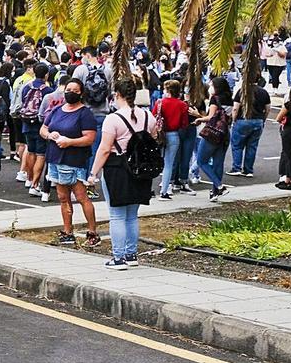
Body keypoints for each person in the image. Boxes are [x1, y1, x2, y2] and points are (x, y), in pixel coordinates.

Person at [89, 78, 153, 270]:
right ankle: (131, 254)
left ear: (117, 95)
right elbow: (154, 137)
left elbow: (104, 149)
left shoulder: (113, 119)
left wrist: (93, 173)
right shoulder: (148, 115)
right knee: (132, 214)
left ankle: (118, 257)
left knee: (116, 214)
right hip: (141, 167)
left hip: (118, 166)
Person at [41, 78, 99, 247]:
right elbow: (44, 128)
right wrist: (49, 135)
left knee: (81, 196)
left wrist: (70, 142)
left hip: (74, 160)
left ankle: (92, 232)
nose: (70, 93)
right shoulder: (57, 109)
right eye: (68, 89)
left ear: (81, 93)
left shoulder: (85, 113)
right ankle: (67, 231)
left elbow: (90, 138)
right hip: (55, 158)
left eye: (75, 90)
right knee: (62, 197)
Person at [194, 76, 234, 201]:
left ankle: (219, 186)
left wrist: (199, 117)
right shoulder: (229, 99)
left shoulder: (214, 99)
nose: (210, 87)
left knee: (202, 161)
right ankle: (214, 192)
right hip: (225, 133)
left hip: (212, 133)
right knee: (218, 163)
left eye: (212, 85)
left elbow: (210, 117)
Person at [153, 79, 190, 200]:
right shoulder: (182, 105)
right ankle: (164, 191)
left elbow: (154, 117)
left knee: (155, 161)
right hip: (174, 134)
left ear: (167, 90)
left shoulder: (160, 102)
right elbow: (184, 124)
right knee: (169, 164)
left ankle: (150, 189)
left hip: (160, 134)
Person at [226, 76, 269, 178]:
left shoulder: (242, 91)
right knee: (252, 146)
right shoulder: (263, 92)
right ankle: (248, 170)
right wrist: (263, 119)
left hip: (243, 120)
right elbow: (267, 109)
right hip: (258, 120)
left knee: (237, 145)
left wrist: (233, 119)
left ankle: (236, 167)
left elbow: (236, 108)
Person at [19, 63, 51, 197]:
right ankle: (35, 184)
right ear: (46, 75)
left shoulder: (27, 87)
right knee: (41, 154)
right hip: (40, 124)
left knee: (31, 151)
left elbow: (22, 102)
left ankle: (29, 178)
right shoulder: (47, 90)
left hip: (26, 123)